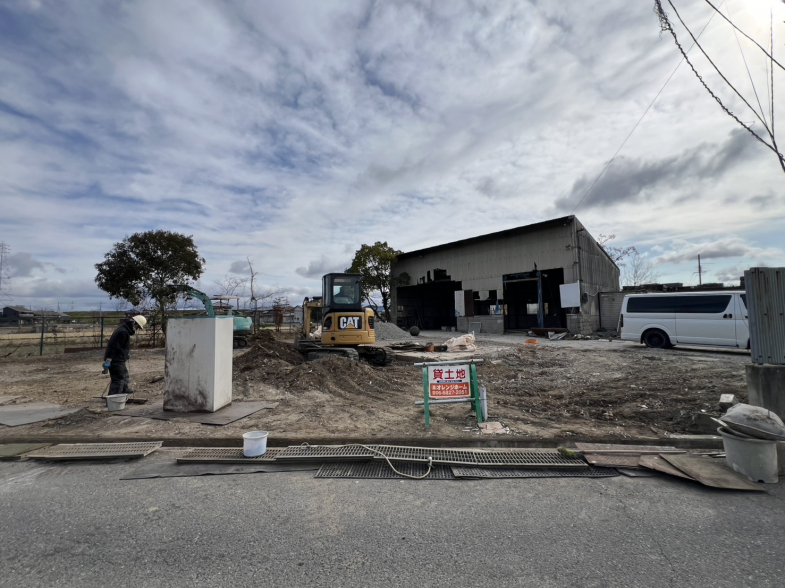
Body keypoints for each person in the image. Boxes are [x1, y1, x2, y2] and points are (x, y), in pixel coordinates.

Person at [102, 315, 146, 396]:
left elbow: (120, 346)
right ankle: (114, 397)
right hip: (116, 360)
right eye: (138, 327)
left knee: (124, 375)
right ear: (134, 324)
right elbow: (114, 347)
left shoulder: (123, 330)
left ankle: (124, 390)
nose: (137, 329)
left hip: (119, 359)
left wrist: (125, 354)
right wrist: (108, 360)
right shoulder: (123, 332)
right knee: (119, 379)